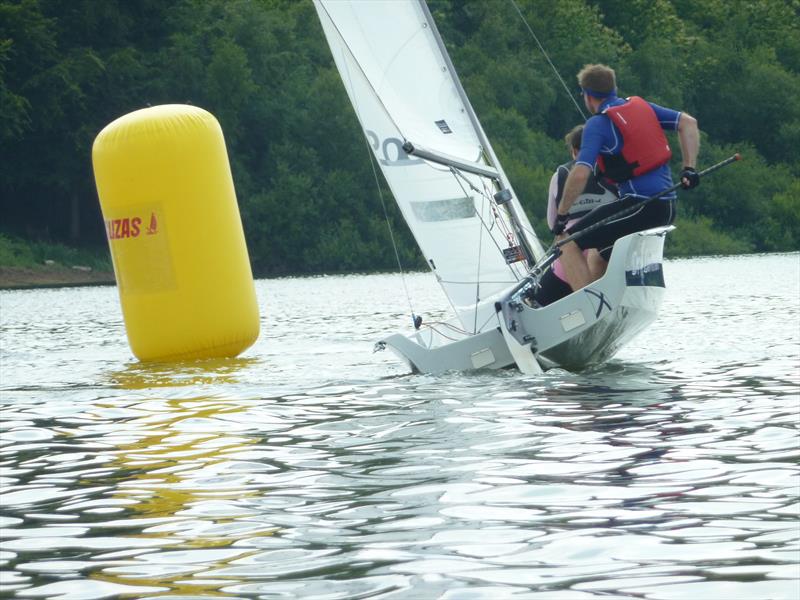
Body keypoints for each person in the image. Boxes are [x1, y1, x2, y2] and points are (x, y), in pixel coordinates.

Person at [553, 64, 700, 292]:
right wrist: (688, 168)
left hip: (641, 205)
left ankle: (591, 306)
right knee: (601, 253)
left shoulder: (598, 124)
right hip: (666, 205)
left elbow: (581, 172)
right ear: (613, 89)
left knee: (566, 241)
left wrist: (562, 214)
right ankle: (605, 300)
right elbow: (688, 123)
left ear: (587, 96)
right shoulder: (642, 107)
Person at [533, 124, 618, 306]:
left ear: (574, 151)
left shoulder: (560, 175)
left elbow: (552, 223)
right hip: (609, 257)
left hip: (569, 264)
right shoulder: (615, 172)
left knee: (536, 301)